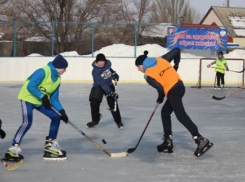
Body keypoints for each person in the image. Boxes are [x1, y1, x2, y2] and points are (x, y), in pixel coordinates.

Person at [135, 48, 212, 157]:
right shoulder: (161, 59)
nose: (138, 70)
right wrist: (176, 65)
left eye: (138, 67)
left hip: (172, 92)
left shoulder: (148, 76)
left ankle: (200, 139)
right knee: (165, 113)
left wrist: (160, 97)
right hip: (180, 86)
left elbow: (160, 88)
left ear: (142, 65)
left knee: (181, 115)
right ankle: (168, 141)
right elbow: (176, 51)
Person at [4, 55, 69, 161]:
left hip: (39, 101)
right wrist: (42, 96)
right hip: (28, 98)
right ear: (59, 67)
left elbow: (54, 98)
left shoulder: (57, 79)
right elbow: (30, 86)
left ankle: (49, 146)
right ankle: (13, 148)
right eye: (64, 68)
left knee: (56, 117)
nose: (65, 71)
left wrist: (62, 111)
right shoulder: (43, 71)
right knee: (27, 122)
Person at [87, 53, 123, 129]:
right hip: (99, 86)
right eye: (99, 61)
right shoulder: (95, 71)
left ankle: (118, 121)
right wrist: (110, 93)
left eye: (102, 61)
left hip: (109, 84)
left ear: (105, 61)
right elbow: (102, 83)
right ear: (96, 62)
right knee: (94, 102)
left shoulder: (108, 64)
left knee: (113, 103)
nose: (101, 63)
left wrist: (114, 73)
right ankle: (95, 119)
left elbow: (109, 69)